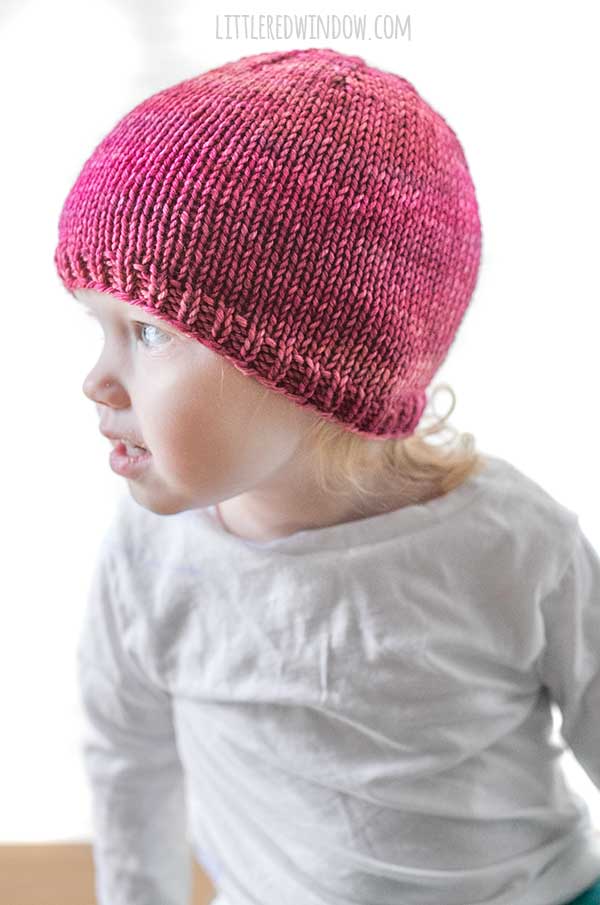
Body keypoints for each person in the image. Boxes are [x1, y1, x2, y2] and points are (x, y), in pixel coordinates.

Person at [54, 47, 600, 905]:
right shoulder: (150, 560)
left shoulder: (510, 543)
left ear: (309, 368)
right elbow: (130, 762)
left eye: (149, 331)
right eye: (99, 326)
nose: (97, 380)